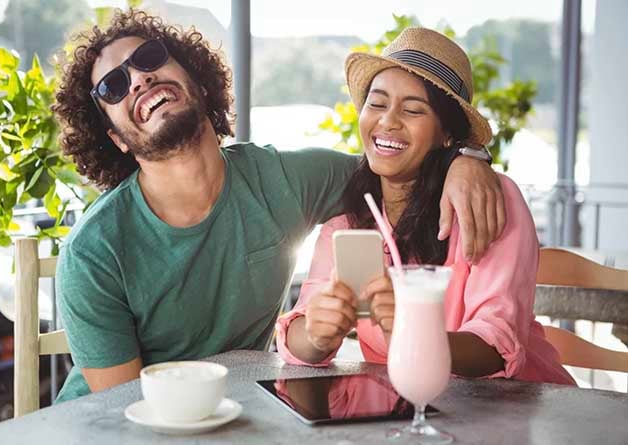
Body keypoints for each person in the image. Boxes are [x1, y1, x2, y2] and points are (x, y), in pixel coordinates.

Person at [52, 10, 507, 402]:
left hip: (242, 413)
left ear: (198, 81)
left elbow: (399, 163)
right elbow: (123, 410)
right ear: (116, 140)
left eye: (148, 59)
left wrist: (466, 157)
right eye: (112, 87)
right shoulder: (94, 251)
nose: (138, 79)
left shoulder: (283, 179)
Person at [277, 27, 575, 385]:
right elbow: (297, 336)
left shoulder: (488, 201)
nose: (387, 120)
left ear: (447, 133)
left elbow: (497, 344)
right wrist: (315, 334)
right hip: (413, 411)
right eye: (377, 103)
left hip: (519, 409)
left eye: (414, 110)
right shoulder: (345, 228)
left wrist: (416, 332)